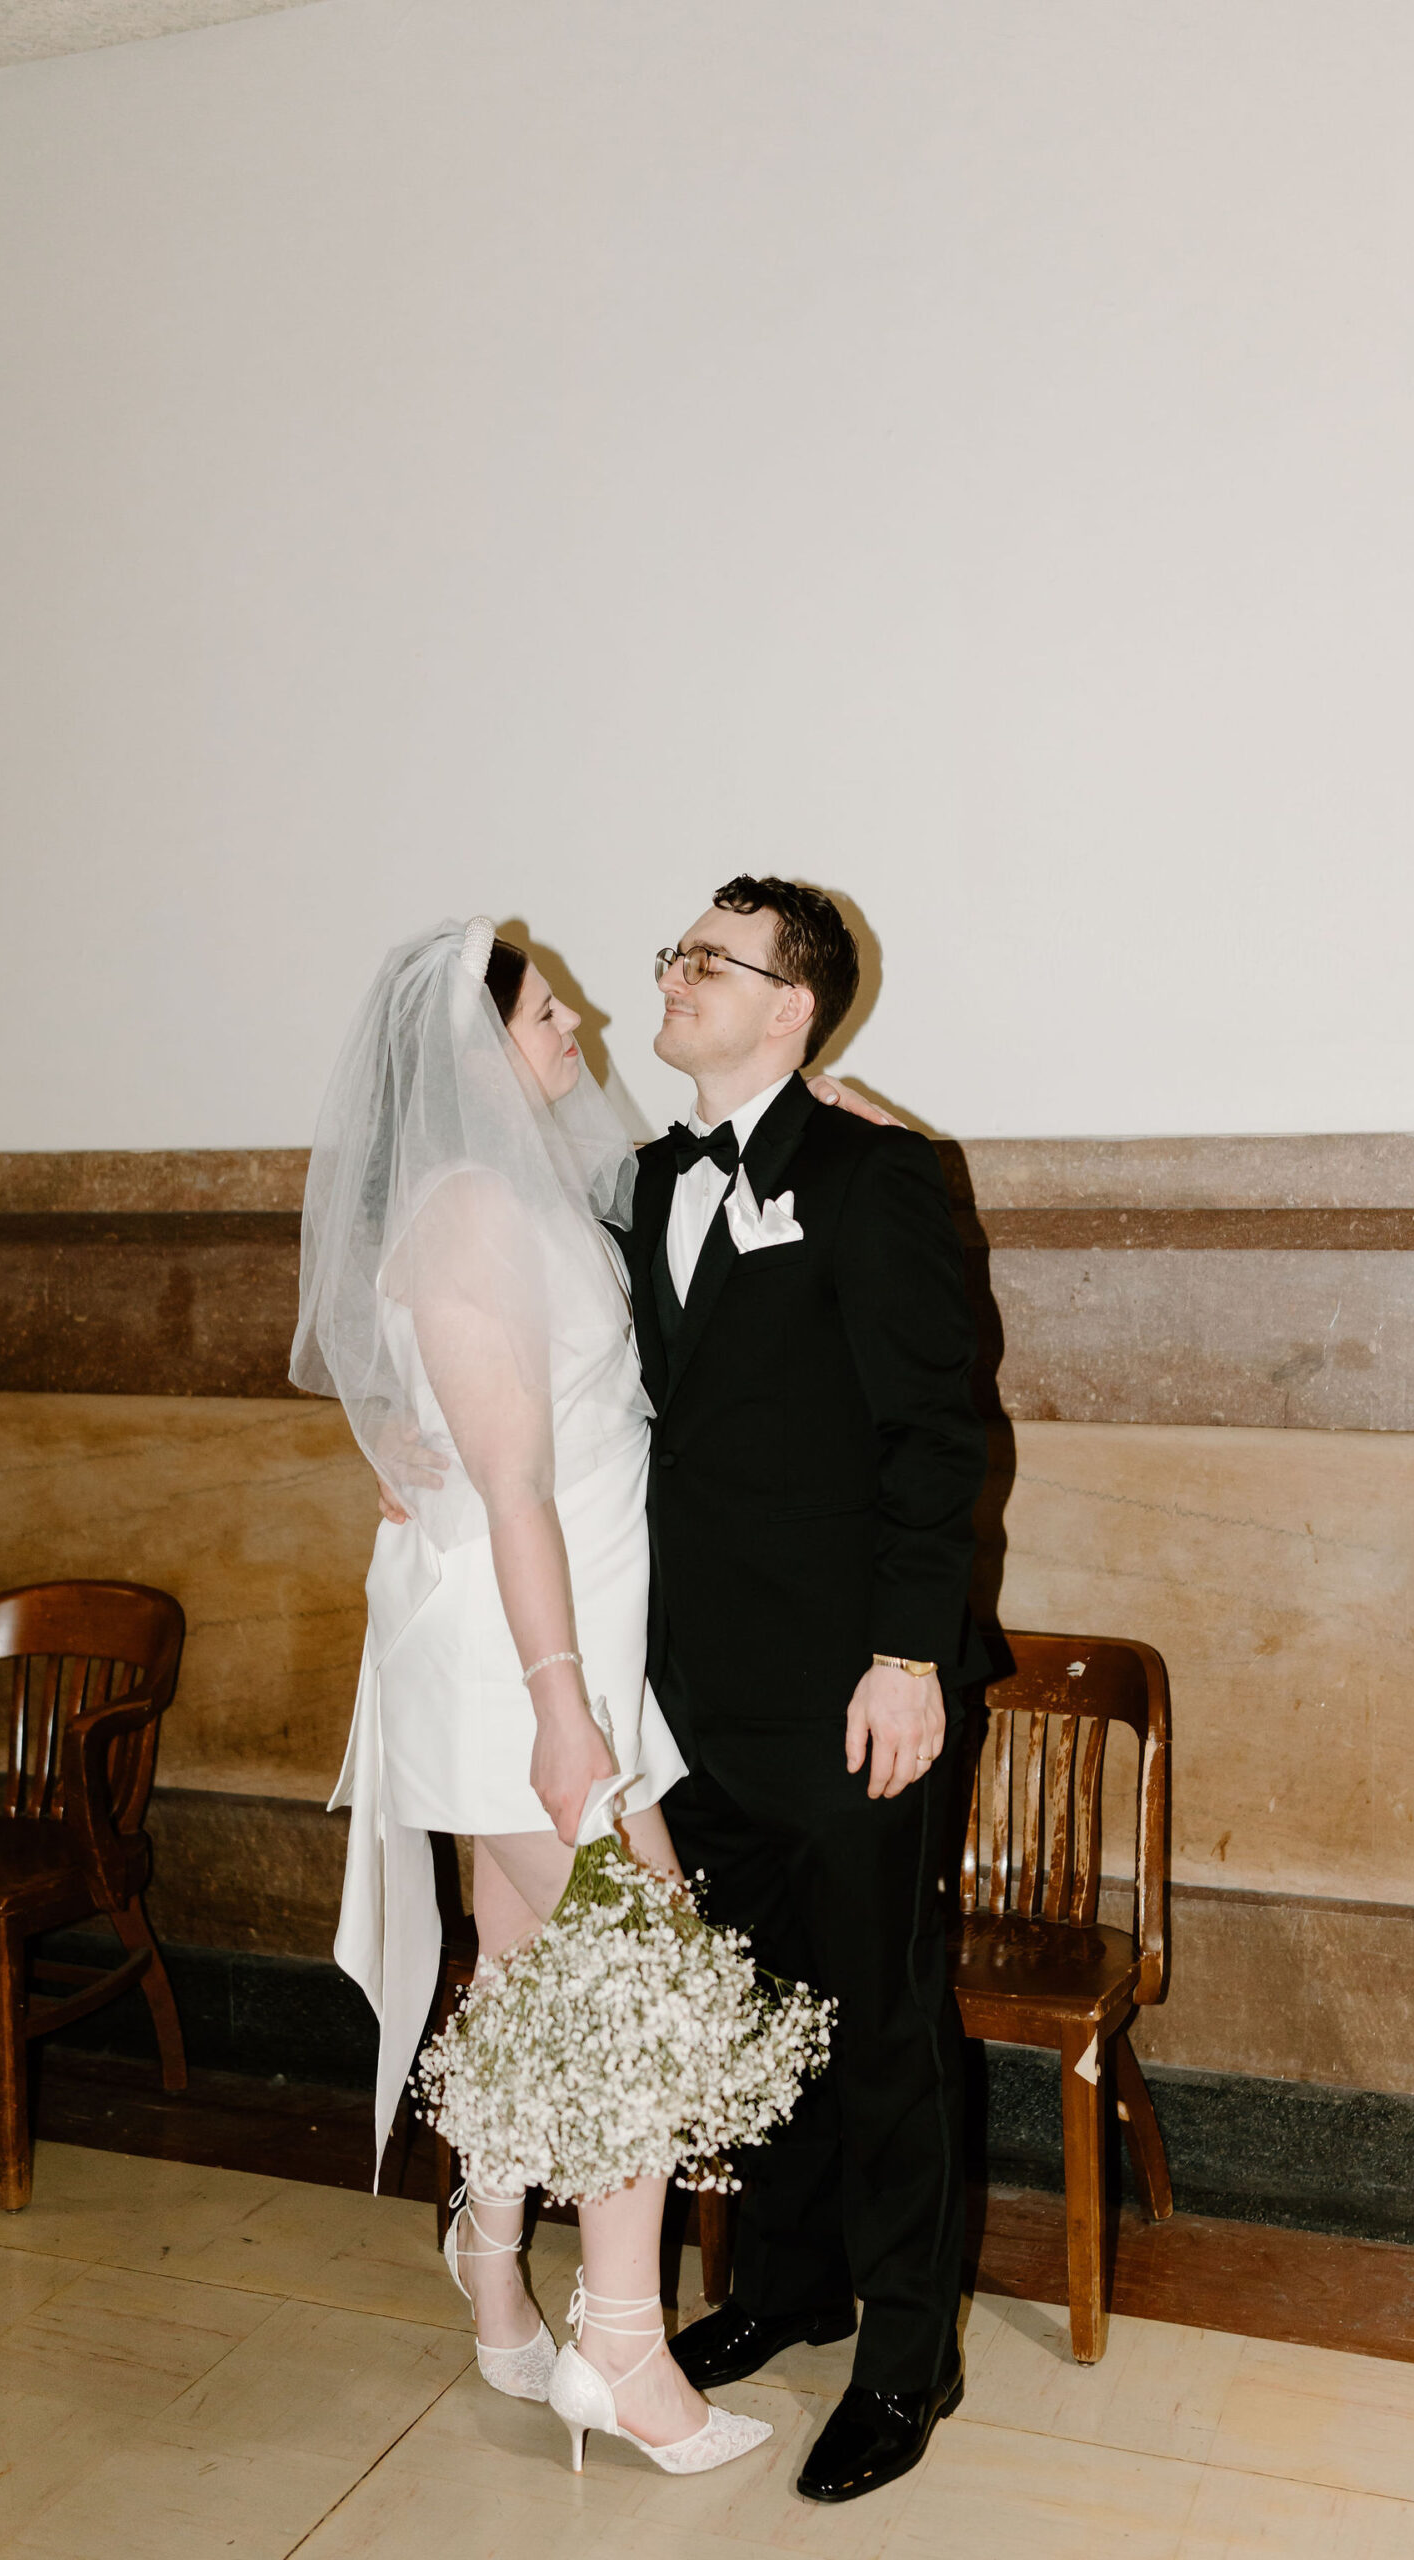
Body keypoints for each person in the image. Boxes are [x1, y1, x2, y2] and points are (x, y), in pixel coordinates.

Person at [292, 917, 769, 2475]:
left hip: (552, 1648)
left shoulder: (526, 1192)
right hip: (522, 1665)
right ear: (476, 1049)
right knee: (643, 1973)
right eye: (552, 1015)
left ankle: (494, 2261)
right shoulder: (474, 1215)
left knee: (519, 1968)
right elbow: (508, 1486)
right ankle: (622, 2350)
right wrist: (569, 1716)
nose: (581, 1036)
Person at [627, 877, 989, 2506]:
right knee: (759, 2018)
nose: (677, 971)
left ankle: (909, 2358)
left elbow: (940, 1434)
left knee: (890, 2022)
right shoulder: (641, 1183)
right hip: (704, 1694)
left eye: (715, 958)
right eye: (675, 949)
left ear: (792, 1007)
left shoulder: (876, 1175)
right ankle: (781, 2287)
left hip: (860, 1695)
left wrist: (911, 1656)